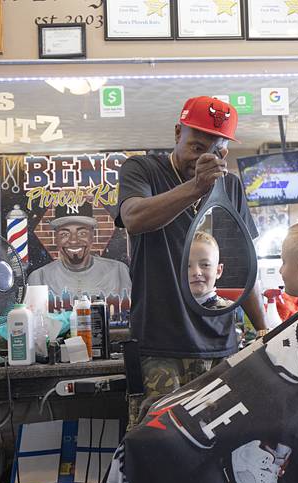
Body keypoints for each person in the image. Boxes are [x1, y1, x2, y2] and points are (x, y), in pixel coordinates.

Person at [116, 95, 267, 427]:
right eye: (196, 147)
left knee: (221, 447)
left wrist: (264, 329)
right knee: (161, 444)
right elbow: (134, 218)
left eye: (216, 151)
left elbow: (244, 266)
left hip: (222, 345)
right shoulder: (142, 170)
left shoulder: (230, 186)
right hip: (161, 345)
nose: (204, 158)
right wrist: (196, 187)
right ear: (176, 134)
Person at [27, 215, 131, 300]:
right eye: (64, 234)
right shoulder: (39, 277)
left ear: (92, 236)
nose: (73, 240)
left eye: (82, 233)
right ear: (56, 239)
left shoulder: (119, 272)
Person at [188, 231, 234, 310]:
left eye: (205, 265)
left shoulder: (231, 311)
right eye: (187, 266)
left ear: (218, 271)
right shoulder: (168, 310)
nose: (196, 272)